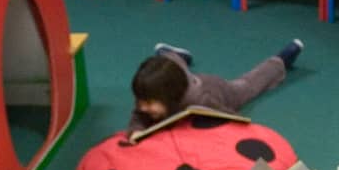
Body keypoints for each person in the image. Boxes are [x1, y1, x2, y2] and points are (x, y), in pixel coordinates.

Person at [128, 39, 305, 134]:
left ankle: (280, 60)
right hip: (180, 81)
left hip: (217, 88)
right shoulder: (149, 97)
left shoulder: (203, 101)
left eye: (149, 103)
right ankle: (170, 54)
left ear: (168, 97)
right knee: (168, 67)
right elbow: (138, 115)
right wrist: (135, 131)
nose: (143, 107)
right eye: (141, 101)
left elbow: (235, 121)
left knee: (248, 84)